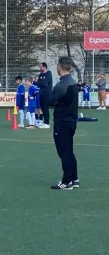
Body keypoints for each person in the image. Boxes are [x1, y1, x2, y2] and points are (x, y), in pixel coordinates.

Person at [47, 56, 79, 190]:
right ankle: (74, 178)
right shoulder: (73, 81)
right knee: (69, 151)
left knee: (64, 152)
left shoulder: (61, 85)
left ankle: (66, 181)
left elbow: (49, 101)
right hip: (71, 121)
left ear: (59, 66)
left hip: (62, 122)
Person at [36, 62, 53, 128]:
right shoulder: (41, 74)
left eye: (41, 67)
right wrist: (41, 82)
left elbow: (45, 84)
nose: (40, 68)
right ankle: (44, 121)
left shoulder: (48, 74)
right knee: (42, 108)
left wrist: (41, 82)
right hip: (41, 93)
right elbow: (38, 83)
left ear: (45, 67)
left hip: (47, 93)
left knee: (45, 108)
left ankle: (47, 123)